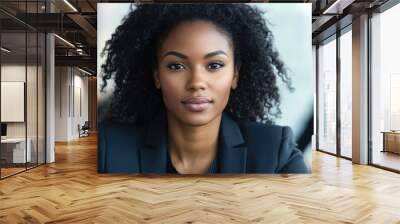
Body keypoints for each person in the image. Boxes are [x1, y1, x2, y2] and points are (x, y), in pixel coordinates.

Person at [98, 3, 310, 174]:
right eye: (176, 66)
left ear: (235, 74)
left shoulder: (275, 152)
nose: (196, 82)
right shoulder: (109, 149)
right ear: (157, 76)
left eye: (214, 65)